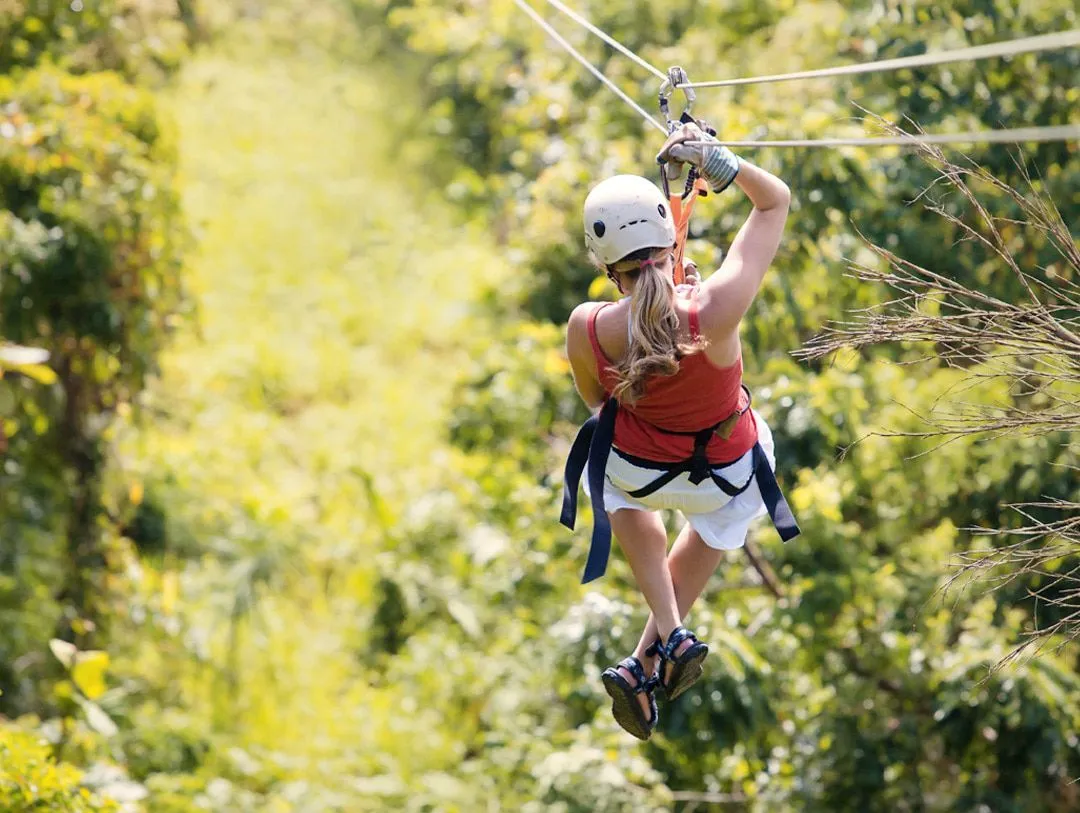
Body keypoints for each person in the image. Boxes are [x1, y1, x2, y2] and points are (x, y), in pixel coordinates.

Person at [561, 122, 798, 740]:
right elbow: (775, 201)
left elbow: (597, 400)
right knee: (721, 517)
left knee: (606, 467)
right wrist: (721, 164)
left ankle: (662, 643)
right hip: (725, 471)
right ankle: (658, 646)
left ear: (605, 264)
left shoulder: (587, 327)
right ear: (672, 239)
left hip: (641, 470)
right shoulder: (715, 308)